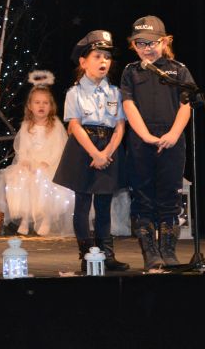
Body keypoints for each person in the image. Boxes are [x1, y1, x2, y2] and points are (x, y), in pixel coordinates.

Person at [120, 16, 194, 270]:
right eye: (140, 43)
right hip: (141, 142)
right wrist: (146, 136)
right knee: (143, 197)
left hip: (172, 141)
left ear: (164, 42)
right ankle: (151, 252)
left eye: (152, 42)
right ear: (133, 45)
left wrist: (173, 134)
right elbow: (128, 105)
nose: (147, 48)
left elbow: (186, 104)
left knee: (169, 196)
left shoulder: (178, 70)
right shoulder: (131, 71)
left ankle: (168, 251)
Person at [53, 30, 130, 274]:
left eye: (107, 57)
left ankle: (106, 255)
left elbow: (120, 126)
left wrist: (106, 152)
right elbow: (75, 125)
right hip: (83, 148)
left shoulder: (115, 92)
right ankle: (87, 255)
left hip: (109, 148)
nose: (103, 61)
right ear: (83, 62)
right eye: (97, 56)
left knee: (104, 204)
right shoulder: (74, 92)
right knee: (83, 204)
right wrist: (95, 154)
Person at [0, 71, 73, 236]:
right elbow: (22, 149)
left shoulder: (55, 125)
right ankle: (25, 218)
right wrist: (25, 162)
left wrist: (47, 163)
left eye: (45, 103)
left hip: (50, 165)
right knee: (19, 178)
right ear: (30, 106)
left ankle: (46, 218)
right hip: (31, 164)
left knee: (43, 180)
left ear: (51, 106)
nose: (41, 106)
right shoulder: (26, 126)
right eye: (37, 102)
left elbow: (59, 149)